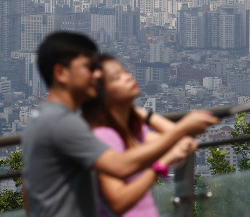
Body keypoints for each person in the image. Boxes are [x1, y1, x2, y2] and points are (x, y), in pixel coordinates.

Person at [22, 32, 219, 217]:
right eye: (88, 68)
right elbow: (120, 166)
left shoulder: (42, 118)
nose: (97, 75)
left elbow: (27, 189)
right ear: (61, 73)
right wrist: (182, 129)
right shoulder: (63, 123)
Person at [81, 54, 192, 216]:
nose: (128, 77)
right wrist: (160, 164)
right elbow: (118, 202)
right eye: (117, 77)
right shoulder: (104, 136)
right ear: (101, 94)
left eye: (125, 72)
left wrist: (145, 115)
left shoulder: (133, 131)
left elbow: (184, 140)